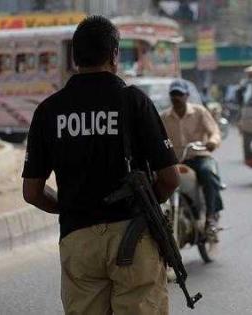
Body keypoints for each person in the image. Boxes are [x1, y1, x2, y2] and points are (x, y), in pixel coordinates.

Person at [22, 16, 179, 315]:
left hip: (77, 239)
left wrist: (67, 207)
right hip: (133, 236)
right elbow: (170, 179)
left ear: (74, 57)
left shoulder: (48, 110)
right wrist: (145, 206)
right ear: (115, 54)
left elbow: (32, 192)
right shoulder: (134, 101)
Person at [160, 80, 224, 240]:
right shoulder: (163, 117)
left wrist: (212, 142)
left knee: (208, 173)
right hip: (175, 161)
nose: (176, 98)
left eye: (180, 94)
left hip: (199, 157)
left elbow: (214, 132)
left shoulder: (199, 112)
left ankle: (210, 218)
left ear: (187, 96)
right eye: (173, 95)